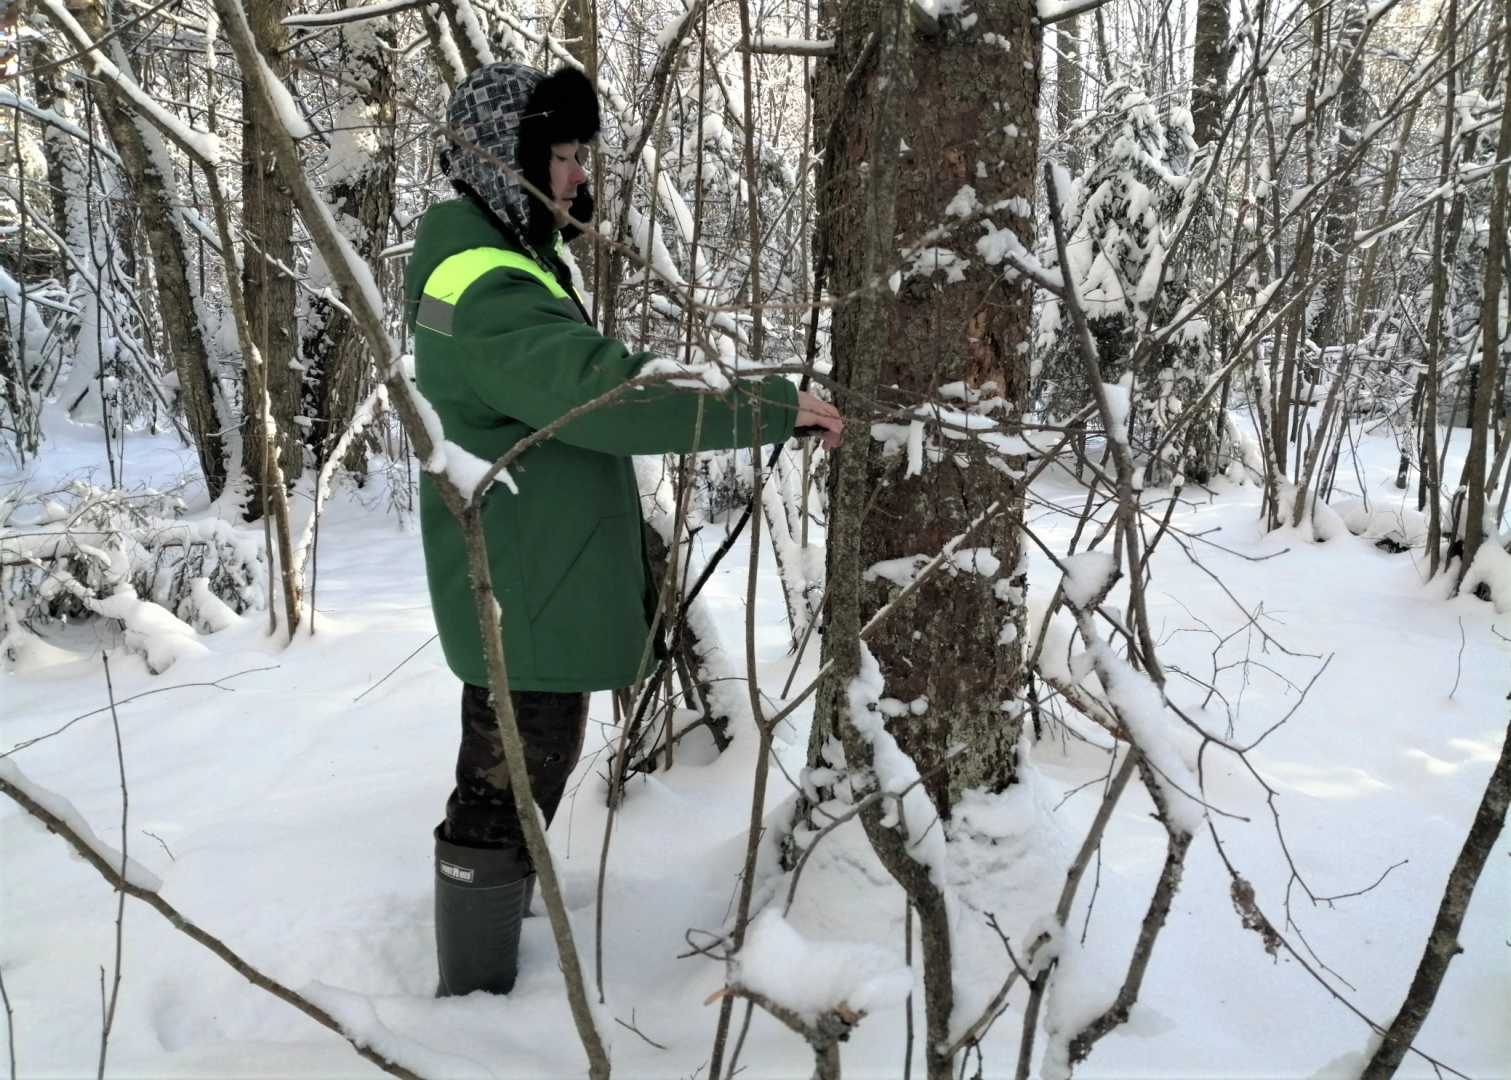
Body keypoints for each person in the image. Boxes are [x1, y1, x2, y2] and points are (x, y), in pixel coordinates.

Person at [403, 62, 841, 997]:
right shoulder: (483, 281)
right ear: (504, 162)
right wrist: (763, 405)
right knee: (505, 790)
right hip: (523, 584)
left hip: (531, 571)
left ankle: (493, 932)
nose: (576, 174)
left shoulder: (493, 249)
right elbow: (602, 393)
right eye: (559, 153)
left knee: (518, 779)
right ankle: (472, 1002)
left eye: (577, 154)